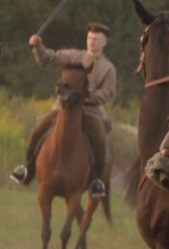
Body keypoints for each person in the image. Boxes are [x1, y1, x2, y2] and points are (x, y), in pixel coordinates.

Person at [10, 22, 116, 198]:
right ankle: (27, 169)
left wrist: (87, 96)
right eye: (90, 38)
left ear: (104, 42)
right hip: (63, 108)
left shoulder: (108, 68)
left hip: (89, 111)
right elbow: (48, 58)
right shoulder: (73, 56)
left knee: (99, 141)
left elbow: (108, 92)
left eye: (96, 39)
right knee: (37, 130)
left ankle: (96, 181)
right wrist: (38, 46)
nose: (92, 41)